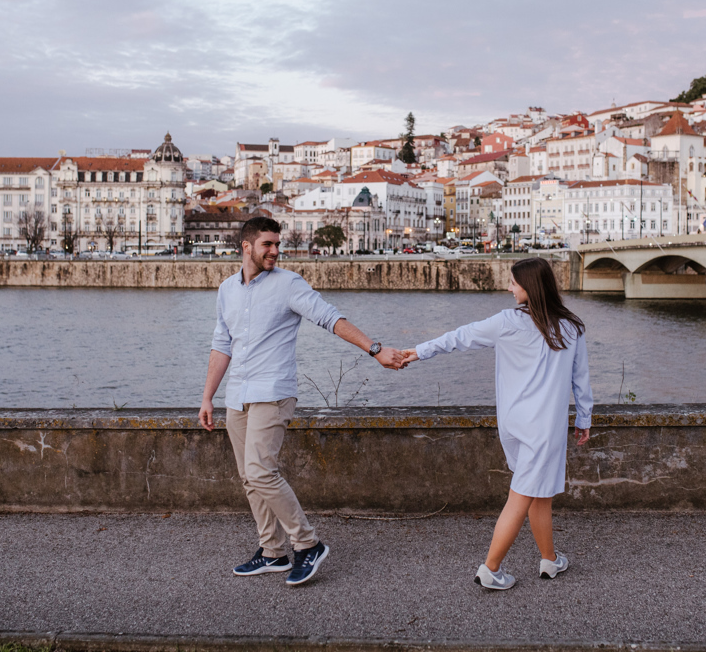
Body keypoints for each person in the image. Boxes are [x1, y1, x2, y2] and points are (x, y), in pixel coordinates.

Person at [198, 216, 405, 586]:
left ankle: (308, 544)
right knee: (249, 478)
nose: (275, 251)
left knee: (261, 472)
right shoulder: (227, 289)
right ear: (246, 247)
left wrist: (374, 349)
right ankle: (272, 551)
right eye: (268, 244)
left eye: (277, 244)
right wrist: (207, 397)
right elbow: (221, 345)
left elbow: (330, 318)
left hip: (273, 392)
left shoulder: (288, 284)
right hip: (238, 395)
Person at [401, 256, 592, 591]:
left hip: (513, 423)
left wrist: (417, 352)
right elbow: (581, 379)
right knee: (522, 495)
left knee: (539, 492)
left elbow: (459, 337)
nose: (509, 288)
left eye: (513, 283)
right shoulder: (571, 328)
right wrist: (584, 417)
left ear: (529, 287)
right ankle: (490, 568)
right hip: (544, 428)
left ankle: (549, 559)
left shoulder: (506, 322)